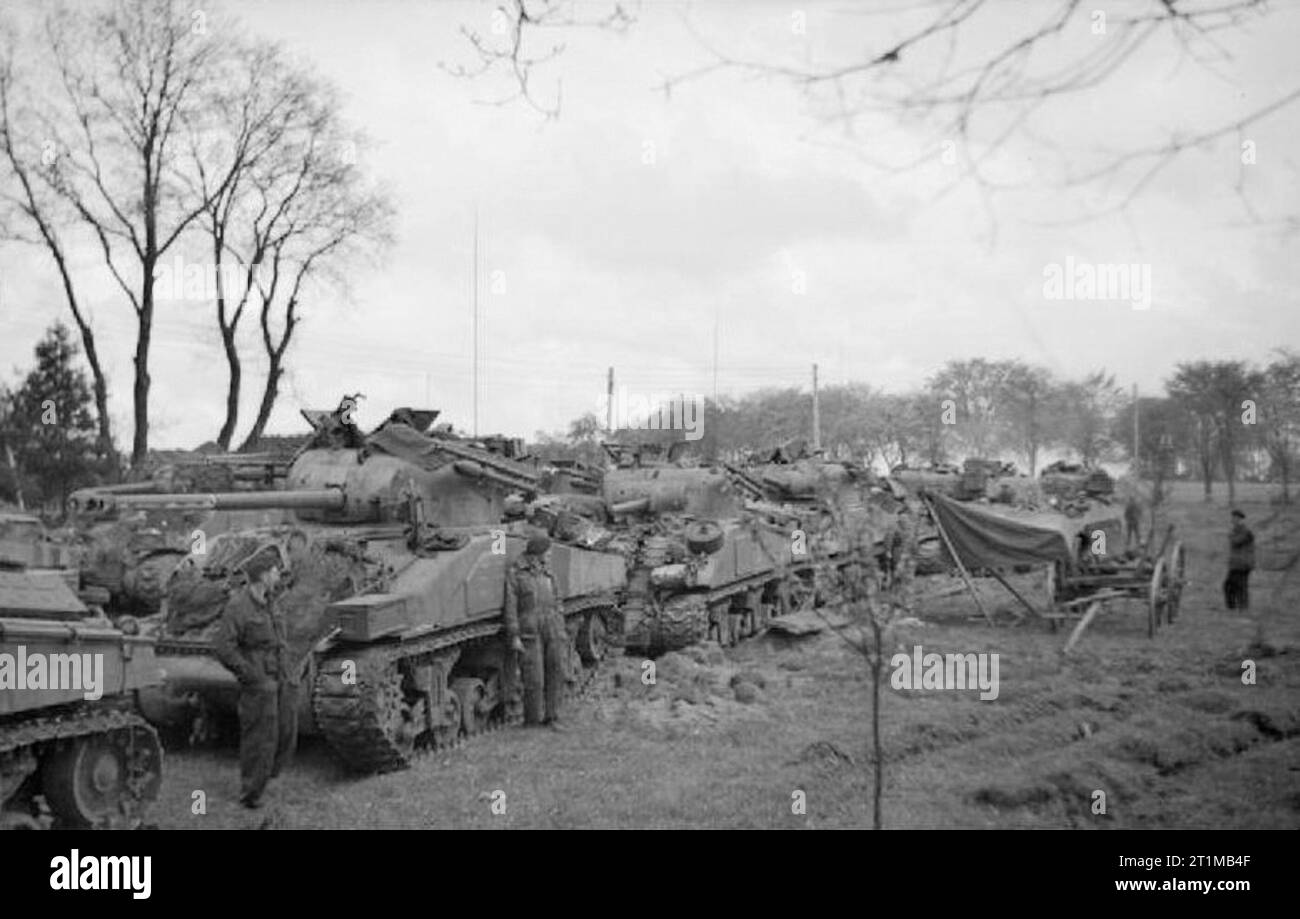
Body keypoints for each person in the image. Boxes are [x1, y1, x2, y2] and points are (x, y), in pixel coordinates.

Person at [212, 546, 298, 808]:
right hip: (259, 681)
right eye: (274, 571)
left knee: (286, 731)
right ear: (262, 575)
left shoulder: (271, 601)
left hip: (281, 675)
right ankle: (251, 792)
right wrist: (250, 674)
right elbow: (224, 647)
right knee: (259, 738)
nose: (278, 575)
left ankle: (269, 774)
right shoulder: (238, 607)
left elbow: (280, 639)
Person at [503, 534, 567, 728]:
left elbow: (557, 598)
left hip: (553, 626)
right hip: (530, 628)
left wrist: (560, 621)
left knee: (556, 671)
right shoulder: (516, 574)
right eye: (548, 552)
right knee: (534, 677)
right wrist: (514, 635)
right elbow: (511, 606)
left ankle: (552, 717)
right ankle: (532, 720)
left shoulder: (548, 573)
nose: (550, 555)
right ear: (538, 554)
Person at [1224, 509, 1256, 611]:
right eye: (1233, 517)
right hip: (1236, 564)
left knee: (1241, 586)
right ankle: (1232, 607)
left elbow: (1236, 541)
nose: (1232, 520)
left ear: (1240, 519)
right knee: (1228, 585)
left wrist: (1231, 535)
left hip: (1243, 564)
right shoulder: (1237, 530)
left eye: (1235, 518)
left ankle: (1243, 608)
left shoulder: (1246, 531)